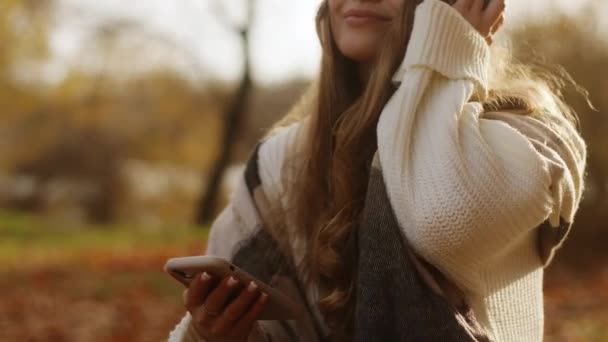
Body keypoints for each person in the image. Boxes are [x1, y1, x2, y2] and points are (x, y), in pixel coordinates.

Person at [169, 0, 587, 341]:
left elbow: (444, 221)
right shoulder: (281, 163)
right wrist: (210, 333)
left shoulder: (526, 133)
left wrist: (446, 50)